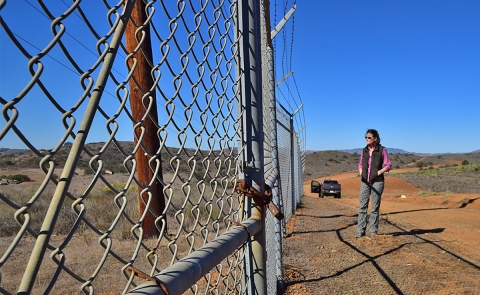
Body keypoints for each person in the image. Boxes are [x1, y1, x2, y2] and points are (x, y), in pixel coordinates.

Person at [356, 129, 392, 238]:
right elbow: (360, 164)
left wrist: (378, 172)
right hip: (365, 182)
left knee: (374, 208)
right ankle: (360, 232)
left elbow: (388, 165)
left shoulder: (382, 150)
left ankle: (373, 232)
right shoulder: (364, 150)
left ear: (375, 138)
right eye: (366, 137)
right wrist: (361, 173)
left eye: (369, 137)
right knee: (362, 206)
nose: (367, 139)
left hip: (377, 182)